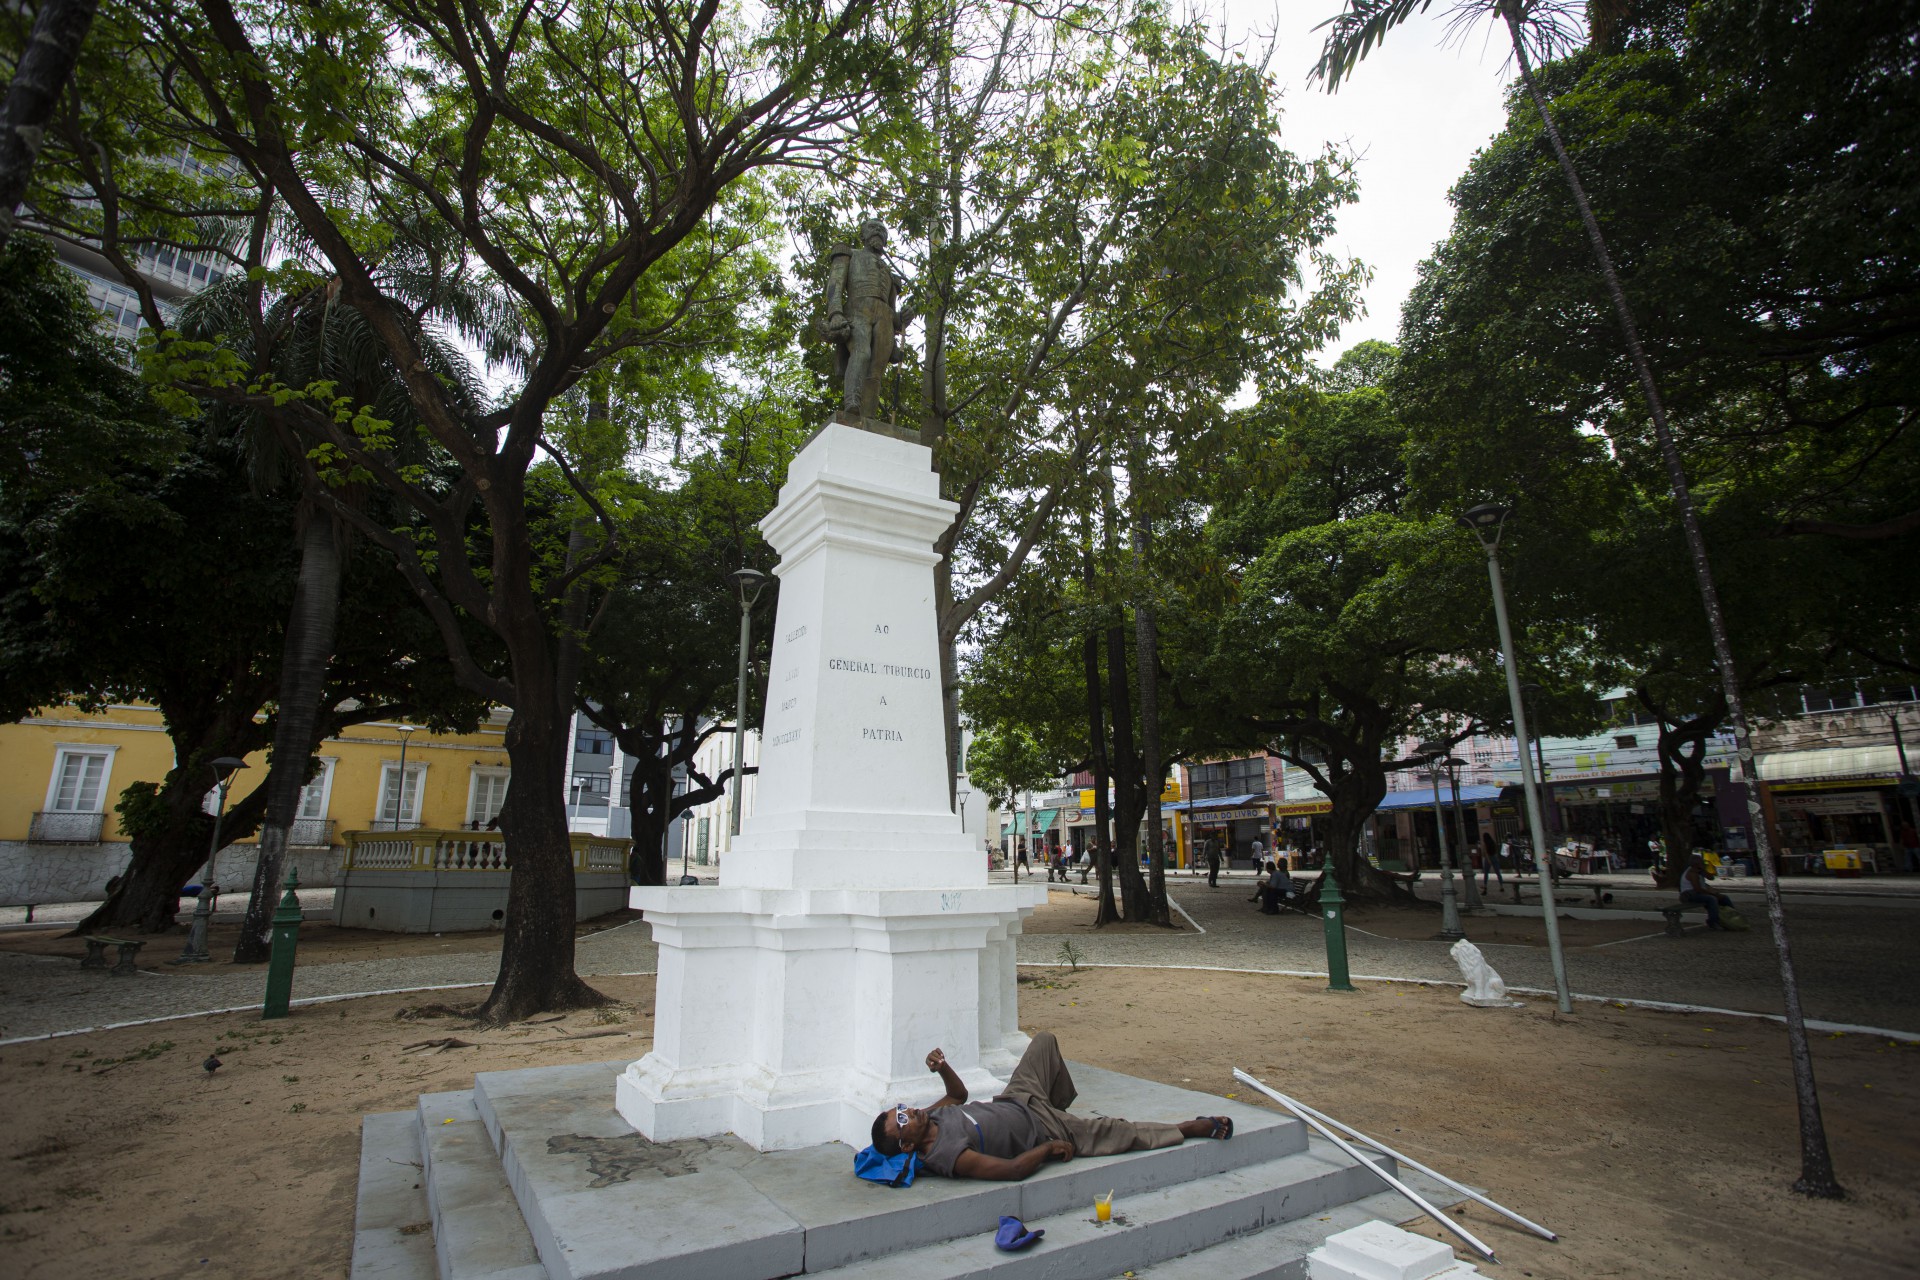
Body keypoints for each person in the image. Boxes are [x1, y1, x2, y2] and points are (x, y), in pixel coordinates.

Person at [870, 1036, 1233, 1181]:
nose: (909, 1111)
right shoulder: (948, 1155)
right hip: (1041, 1130)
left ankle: (1058, 1108)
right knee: (1117, 1131)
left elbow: (959, 1095)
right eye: (901, 1118)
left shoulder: (929, 1116)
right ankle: (1187, 1128)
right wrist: (1047, 1148)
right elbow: (1012, 1170)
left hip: (1016, 1098)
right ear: (907, 1145)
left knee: (1044, 1041)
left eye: (901, 1108)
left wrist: (942, 1068)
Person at [1678, 853, 1735, 930]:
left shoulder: (1699, 871)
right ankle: (1713, 922)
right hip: (1689, 895)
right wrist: (1713, 894)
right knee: (1712, 899)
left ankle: (1733, 916)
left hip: (1697, 893)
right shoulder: (1692, 873)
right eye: (1701, 862)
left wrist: (1703, 870)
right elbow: (1698, 889)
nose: (1703, 863)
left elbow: (1711, 878)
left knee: (1724, 898)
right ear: (1696, 864)